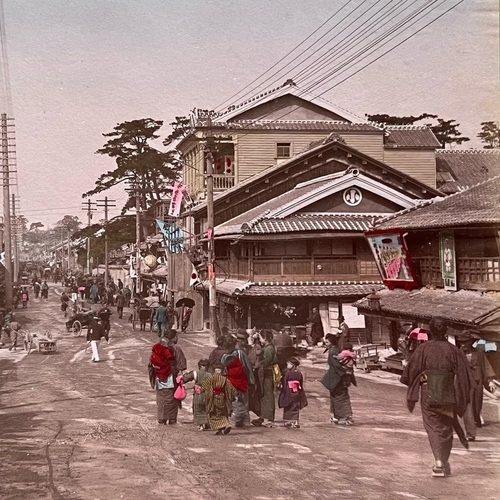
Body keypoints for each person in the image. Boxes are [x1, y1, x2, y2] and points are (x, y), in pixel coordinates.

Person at [400, 317, 471, 478]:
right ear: (445, 331)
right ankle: (443, 461)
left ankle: (439, 462)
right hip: (448, 392)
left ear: (431, 331)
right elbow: (464, 376)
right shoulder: (455, 351)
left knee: (433, 427)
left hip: (428, 392)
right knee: (446, 427)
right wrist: (462, 396)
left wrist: (412, 381)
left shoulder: (423, 349)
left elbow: (411, 372)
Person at [460, 339, 496, 442]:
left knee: (476, 406)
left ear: (470, 343)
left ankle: (476, 420)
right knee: (468, 407)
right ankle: (471, 433)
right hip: (464, 383)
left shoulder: (479, 354)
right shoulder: (458, 353)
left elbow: (486, 367)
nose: (462, 344)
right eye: (461, 342)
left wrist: (490, 380)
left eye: (464, 342)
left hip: (478, 383)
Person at [153, 330, 187, 424]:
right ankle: (171, 418)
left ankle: (161, 418)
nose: (178, 338)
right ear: (173, 337)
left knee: (161, 397)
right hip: (172, 376)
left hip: (159, 376)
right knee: (172, 397)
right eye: (176, 336)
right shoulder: (176, 348)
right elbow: (182, 365)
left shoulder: (158, 348)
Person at [321, 333, 354, 426]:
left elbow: (337, 366)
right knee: (337, 397)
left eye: (327, 341)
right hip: (337, 377)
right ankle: (338, 416)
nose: (325, 343)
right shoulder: (335, 350)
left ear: (331, 342)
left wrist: (344, 373)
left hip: (338, 378)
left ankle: (344, 416)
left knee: (340, 397)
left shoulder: (333, 351)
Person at [221, 336, 250, 428]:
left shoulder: (224, 356)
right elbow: (247, 367)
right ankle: (245, 421)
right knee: (243, 402)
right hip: (242, 382)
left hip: (230, 383)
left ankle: (233, 420)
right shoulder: (240, 354)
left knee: (231, 402)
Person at [251, 329, 277, 428]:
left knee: (268, 396)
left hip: (267, 373)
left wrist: (258, 363)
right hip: (263, 373)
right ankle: (262, 417)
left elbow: (266, 361)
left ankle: (270, 419)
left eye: (261, 338)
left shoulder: (269, 349)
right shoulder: (267, 347)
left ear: (265, 338)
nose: (260, 340)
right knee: (262, 395)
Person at [201, 362, 236, 435]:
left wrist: (201, 390)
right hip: (222, 397)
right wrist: (233, 396)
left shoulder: (211, 378)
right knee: (223, 412)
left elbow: (204, 386)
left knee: (215, 414)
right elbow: (231, 388)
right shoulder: (225, 379)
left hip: (213, 398)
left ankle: (225, 425)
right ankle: (222, 429)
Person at [183, 359, 211, 431]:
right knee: (206, 408)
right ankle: (207, 423)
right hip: (207, 394)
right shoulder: (210, 375)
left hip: (198, 394)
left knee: (198, 409)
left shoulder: (195, 373)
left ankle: (200, 425)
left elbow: (185, 378)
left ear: (200, 366)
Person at [279, 357, 307, 428]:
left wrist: (283, 391)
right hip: (296, 392)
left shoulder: (287, 373)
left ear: (292, 365)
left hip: (288, 391)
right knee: (295, 406)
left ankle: (288, 420)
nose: (287, 365)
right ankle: (296, 421)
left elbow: (284, 383)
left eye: (288, 364)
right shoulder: (299, 373)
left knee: (288, 405)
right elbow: (300, 383)